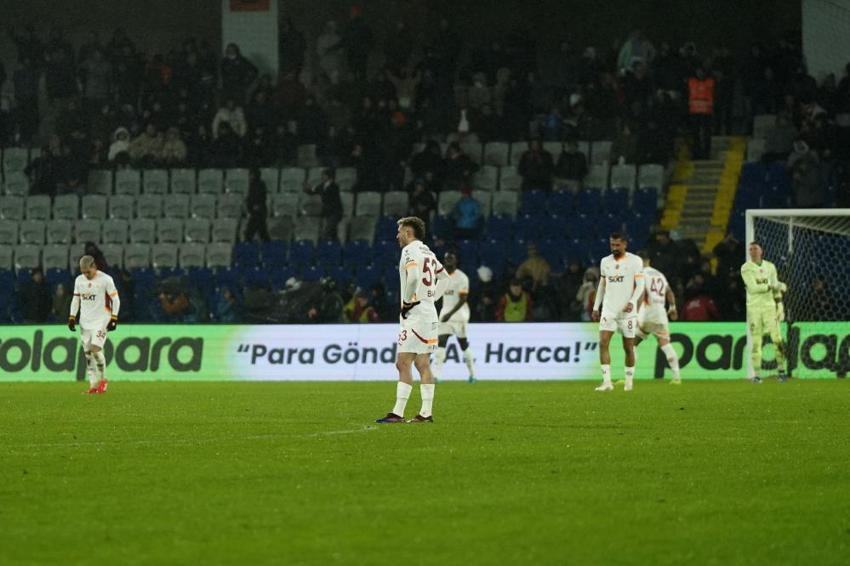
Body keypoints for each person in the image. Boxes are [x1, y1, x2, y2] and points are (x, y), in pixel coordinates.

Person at [376, 217, 449, 424]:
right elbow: (445, 279)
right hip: (429, 313)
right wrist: (431, 298)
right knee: (423, 363)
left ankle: (398, 413)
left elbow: (414, 278)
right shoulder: (429, 252)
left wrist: (408, 302)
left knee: (403, 363)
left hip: (415, 314)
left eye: (399, 231)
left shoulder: (409, 251)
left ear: (408, 232)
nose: (397, 235)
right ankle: (425, 413)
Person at [592, 233, 645, 392]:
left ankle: (629, 382)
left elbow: (640, 285)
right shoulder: (605, 262)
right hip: (609, 310)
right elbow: (602, 285)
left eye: (617, 245)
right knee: (603, 343)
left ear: (625, 245)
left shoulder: (635, 261)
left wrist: (632, 302)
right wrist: (596, 307)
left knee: (628, 348)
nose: (614, 248)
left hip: (627, 312)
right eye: (612, 245)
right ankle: (607, 382)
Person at [68, 255, 121, 395]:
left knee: (95, 349)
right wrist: (72, 316)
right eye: (83, 272)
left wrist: (114, 317)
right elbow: (76, 299)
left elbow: (116, 299)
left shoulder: (106, 280)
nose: (85, 275)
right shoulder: (79, 280)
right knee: (87, 355)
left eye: (88, 272)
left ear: (94, 266)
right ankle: (93, 386)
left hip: (101, 321)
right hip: (85, 322)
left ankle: (103, 380)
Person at [740, 242, 787, 383]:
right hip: (754, 309)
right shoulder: (746, 268)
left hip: (770, 308)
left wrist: (780, 305)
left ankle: (781, 372)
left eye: (755, 249)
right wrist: (773, 285)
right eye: (750, 249)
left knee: (777, 339)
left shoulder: (770, 267)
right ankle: (757, 375)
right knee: (756, 342)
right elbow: (753, 288)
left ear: (761, 251)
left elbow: (776, 288)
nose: (752, 251)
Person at [634, 252, 681, 384]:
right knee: (665, 344)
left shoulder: (641, 274)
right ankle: (677, 377)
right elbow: (669, 292)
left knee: (631, 344)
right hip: (660, 313)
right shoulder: (659, 274)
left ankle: (628, 377)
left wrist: (635, 313)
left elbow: (641, 293)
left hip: (647, 313)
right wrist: (672, 307)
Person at [433, 251, 476, 383]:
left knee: (463, 344)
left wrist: (449, 314)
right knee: (441, 342)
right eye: (447, 259)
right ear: (444, 261)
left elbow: (463, 299)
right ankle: (437, 375)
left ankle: (472, 374)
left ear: (456, 261)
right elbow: (435, 296)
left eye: (451, 258)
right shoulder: (441, 277)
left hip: (459, 314)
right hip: (445, 312)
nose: (449, 261)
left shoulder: (462, 277)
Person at [303, 169, 343, 241]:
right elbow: (313, 191)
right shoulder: (322, 186)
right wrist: (306, 189)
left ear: (328, 176)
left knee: (327, 232)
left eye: (324, 175)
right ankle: (336, 246)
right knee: (333, 233)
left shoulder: (334, 186)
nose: (322, 177)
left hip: (335, 212)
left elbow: (329, 196)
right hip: (328, 212)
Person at [687, 65, 715, 159]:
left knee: (706, 134)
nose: (700, 73)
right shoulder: (692, 82)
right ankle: (696, 153)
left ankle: (706, 154)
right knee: (696, 134)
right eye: (698, 71)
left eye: (701, 71)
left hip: (706, 112)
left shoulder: (710, 82)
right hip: (695, 111)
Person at [244, 168, 270, 242]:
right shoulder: (252, 184)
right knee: (262, 232)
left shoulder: (259, 185)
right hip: (255, 212)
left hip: (258, 212)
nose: (250, 176)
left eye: (251, 174)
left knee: (250, 233)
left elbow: (260, 197)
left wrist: (256, 205)